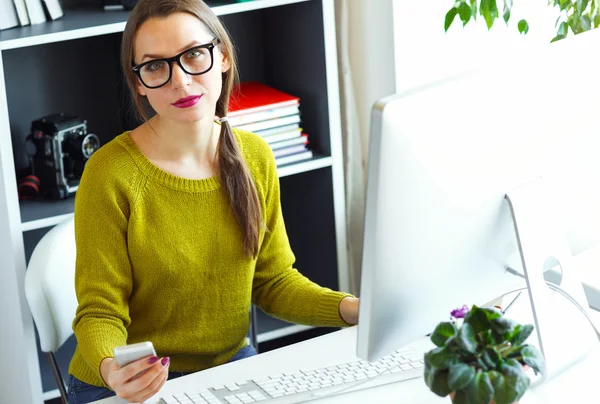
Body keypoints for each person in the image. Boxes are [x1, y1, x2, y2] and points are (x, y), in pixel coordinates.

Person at [67, 0, 359, 403]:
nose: (181, 81)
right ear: (137, 82)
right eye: (155, 66)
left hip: (228, 368)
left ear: (221, 55)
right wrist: (113, 369)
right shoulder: (110, 173)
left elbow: (273, 283)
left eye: (193, 55)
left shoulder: (255, 156)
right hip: (128, 383)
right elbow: (99, 311)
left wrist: (354, 309)